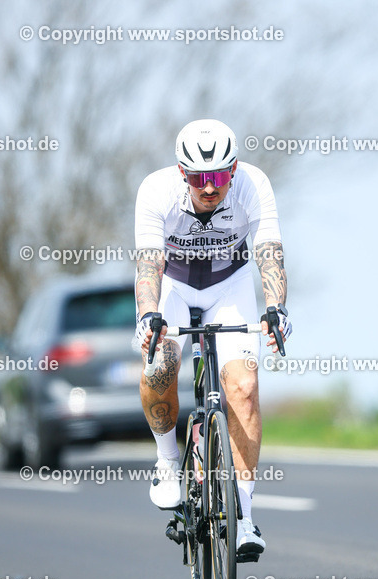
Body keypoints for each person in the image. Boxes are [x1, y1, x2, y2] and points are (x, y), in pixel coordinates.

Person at [132, 119, 290, 555]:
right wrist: (149, 317)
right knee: (159, 364)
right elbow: (149, 265)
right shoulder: (156, 190)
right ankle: (167, 461)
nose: (209, 188)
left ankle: (245, 520)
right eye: (199, 178)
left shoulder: (254, 185)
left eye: (218, 177)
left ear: (233, 170)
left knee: (244, 386)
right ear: (182, 172)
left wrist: (276, 308)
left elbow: (269, 251)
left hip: (230, 285)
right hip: (175, 287)